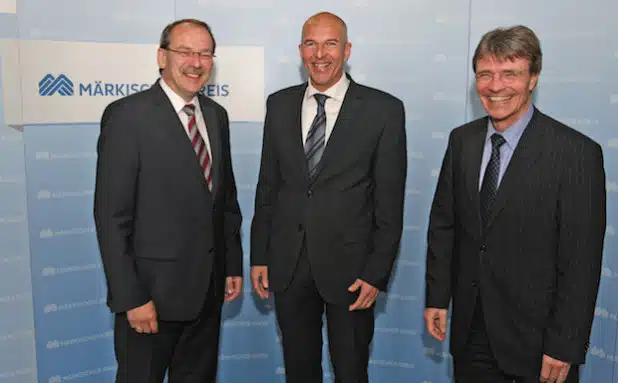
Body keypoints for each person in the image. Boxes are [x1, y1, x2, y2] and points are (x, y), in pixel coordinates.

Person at [424, 25, 606, 383]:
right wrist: (437, 296)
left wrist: (565, 345)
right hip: (471, 334)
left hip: (539, 345)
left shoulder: (576, 154)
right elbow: (444, 226)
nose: (496, 86)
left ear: (533, 78)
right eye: (485, 74)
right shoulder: (462, 141)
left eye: (510, 74)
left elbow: (580, 260)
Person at [250, 11, 407, 383]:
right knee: (299, 370)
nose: (320, 54)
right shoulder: (279, 104)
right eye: (311, 43)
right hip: (288, 265)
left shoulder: (383, 110)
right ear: (300, 50)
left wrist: (376, 273)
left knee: (351, 371)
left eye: (330, 43)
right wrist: (260, 255)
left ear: (347, 49)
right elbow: (268, 187)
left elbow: (389, 202)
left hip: (352, 273)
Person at [94, 18, 243, 383]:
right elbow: (111, 217)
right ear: (162, 57)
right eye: (186, 52)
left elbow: (225, 201)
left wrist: (232, 265)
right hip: (150, 300)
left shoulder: (215, 115)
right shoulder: (128, 116)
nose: (196, 62)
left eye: (205, 53)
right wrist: (131, 297)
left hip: (207, 295)